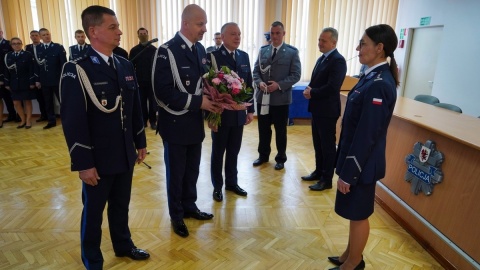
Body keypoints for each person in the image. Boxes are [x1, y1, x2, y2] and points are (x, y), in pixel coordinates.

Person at [59, 5, 150, 269]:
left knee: (121, 205)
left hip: (124, 152)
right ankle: (92, 258)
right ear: (93, 31)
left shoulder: (123, 64)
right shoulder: (76, 69)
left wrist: (140, 142)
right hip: (97, 157)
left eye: (118, 26)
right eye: (113, 27)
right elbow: (73, 121)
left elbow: (133, 108)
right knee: (94, 212)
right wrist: (84, 163)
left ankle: (123, 245)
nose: (120, 32)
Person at [327, 24, 399, 270]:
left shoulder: (380, 83)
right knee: (352, 211)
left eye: (363, 43)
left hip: (362, 163)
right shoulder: (371, 76)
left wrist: (349, 172)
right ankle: (349, 254)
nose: (358, 48)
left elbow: (367, 134)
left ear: (380, 48)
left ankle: (354, 263)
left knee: (358, 214)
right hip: (355, 158)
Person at [152, 4, 221, 238]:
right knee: (176, 173)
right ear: (186, 24)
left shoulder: (200, 50)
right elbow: (162, 91)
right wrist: (198, 103)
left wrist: (212, 111)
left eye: (205, 24)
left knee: (192, 170)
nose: (204, 28)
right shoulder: (167, 51)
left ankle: (190, 207)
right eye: (200, 24)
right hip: (175, 125)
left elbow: (206, 85)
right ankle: (177, 216)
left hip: (194, 124)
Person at [206, 22, 254, 202]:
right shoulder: (213, 56)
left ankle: (232, 183)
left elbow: (249, 84)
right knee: (218, 151)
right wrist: (210, 115)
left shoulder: (244, 56)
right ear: (223, 37)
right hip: (220, 113)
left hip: (239, 113)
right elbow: (207, 86)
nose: (237, 37)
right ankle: (217, 186)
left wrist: (251, 110)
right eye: (233, 34)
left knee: (234, 150)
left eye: (239, 34)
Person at [301, 27, 347, 191]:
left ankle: (327, 179)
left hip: (327, 111)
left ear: (334, 42)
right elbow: (317, 81)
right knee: (318, 143)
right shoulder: (322, 58)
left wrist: (312, 92)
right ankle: (318, 171)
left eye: (324, 40)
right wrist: (309, 88)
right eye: (319, 39)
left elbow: (332, 87)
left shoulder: (338, 60)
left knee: (327, 146)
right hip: (317, 109)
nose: (319, 43)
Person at [252, 21, 301, 170]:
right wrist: (259, 83)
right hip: (263, 98)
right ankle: (263, 155)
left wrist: (278, 85)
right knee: (263, 128)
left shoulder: (292, 52)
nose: (274, 36)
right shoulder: (263, 50)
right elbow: (256, 72)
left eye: (278, 33)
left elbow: (296, 75)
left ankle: (280, 158)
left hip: (280, 99)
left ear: (283, 33)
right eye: (272, 33)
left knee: (281, 130)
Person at [37, 27, 67, 129]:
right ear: (40, 37)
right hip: (44, 80)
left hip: (57, 79)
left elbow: (63, 64)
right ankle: (51, 121)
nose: (47, 36)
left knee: (62, 101)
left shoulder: (58, 47)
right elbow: (37, 66)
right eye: (44, 35)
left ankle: (66, 120)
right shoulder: (38, 49)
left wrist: (63, 78)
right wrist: (37, 80)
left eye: (48, 34)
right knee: (48, 102)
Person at [3, 37, 37, 129]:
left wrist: (32, 82)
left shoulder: (27, 55)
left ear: (21, 44)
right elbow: (6, 70)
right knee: (16, 103)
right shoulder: (8, 56)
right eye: (14, 44)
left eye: (18, 43)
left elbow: (31, 69)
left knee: (27, 102)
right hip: (14, 83)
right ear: (11, 45)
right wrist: (6, 83)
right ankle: (23, 119)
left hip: (26, 82)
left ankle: (28, 121)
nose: (16, 45)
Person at [129, 27, 158, 130]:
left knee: (152, 103)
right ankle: (143, 121)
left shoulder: (154, 50)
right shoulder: (134, 50)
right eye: (141, 34)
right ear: (138, 36)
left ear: (148, 35)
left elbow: (157, 67)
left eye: (144, 33)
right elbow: (131, 66)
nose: (143, 35)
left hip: (151, 82)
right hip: (139, 82)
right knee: (141, 103)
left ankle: (153, 121)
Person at [25, 30, 47, 123]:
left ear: (39, 37)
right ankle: (43, 115)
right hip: (33, 75)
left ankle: (49, 115)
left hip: (43, 75)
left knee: (46, 97)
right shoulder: (28, 47)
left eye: (36, 35)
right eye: (32, 35)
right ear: (30, 37)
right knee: (39, 98)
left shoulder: (43, 46)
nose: (34, 37)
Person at [0, 29, 18, 124]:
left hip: (8, 74)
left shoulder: (8, 44)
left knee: (12, 97)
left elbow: (13, 58)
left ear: (2, 33)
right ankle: (11, 114)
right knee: (4, 97)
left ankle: (18, 115)